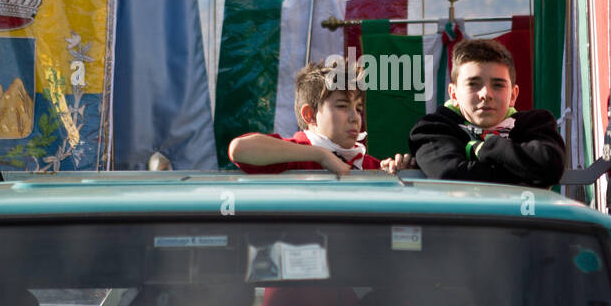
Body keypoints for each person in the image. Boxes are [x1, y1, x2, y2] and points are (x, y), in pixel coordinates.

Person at [408, 38, 564, 187]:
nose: (486, 94)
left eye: (498, 85)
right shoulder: (431, 128)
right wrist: (528, 175)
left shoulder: (537, 124)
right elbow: (451, 176)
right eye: (473, 84)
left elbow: (550, 167)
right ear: (454, 94)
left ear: (513, 95)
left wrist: (481, 149)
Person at [229, 61, 411, 175]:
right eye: (342, 106)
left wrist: (394, 173)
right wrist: (321, 155)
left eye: (358, 108)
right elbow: (239, 149)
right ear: (310, 115)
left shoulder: (368, 164)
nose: (355, 117)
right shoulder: (294, 154)